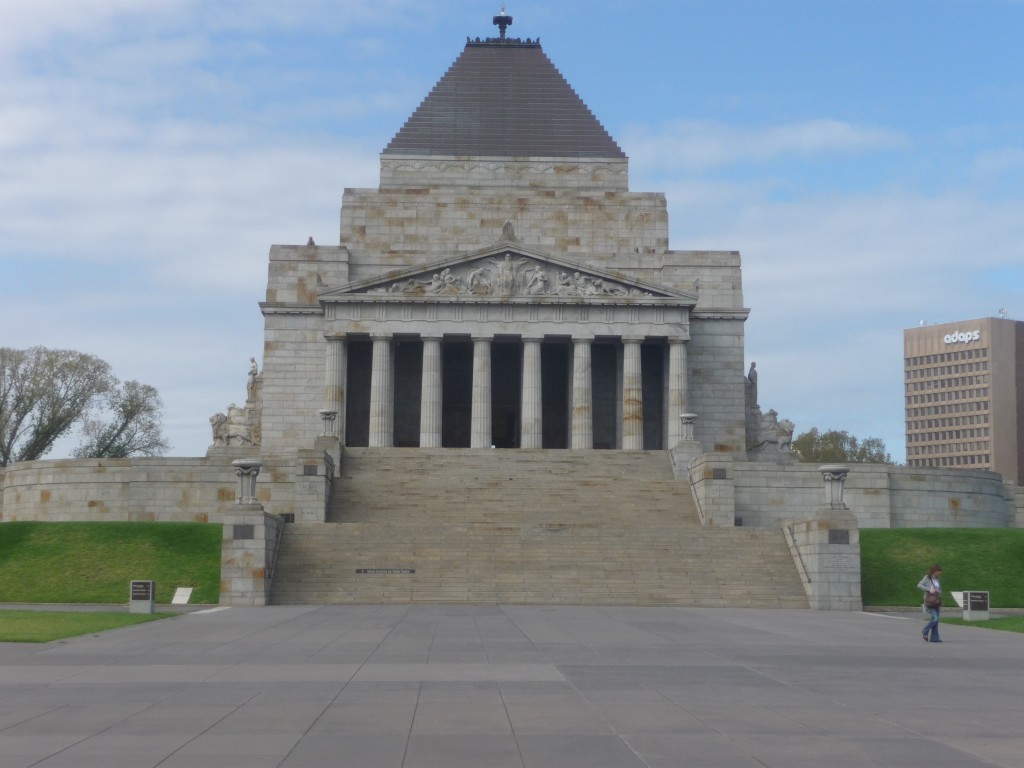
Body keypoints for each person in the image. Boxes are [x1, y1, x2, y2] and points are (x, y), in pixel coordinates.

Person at [917, 565, 943, 642]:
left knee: (936, 620)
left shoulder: (937, 579)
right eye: (939, 572)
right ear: (935, 571)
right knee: (935, 618)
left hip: (936, 601)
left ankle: (934, 638)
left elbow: (939, 589)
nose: (940, 573)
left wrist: (939, 591)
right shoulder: (927, 578)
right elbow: (919, 585)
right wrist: (929, 589)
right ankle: (925, 631)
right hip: (929, 601)